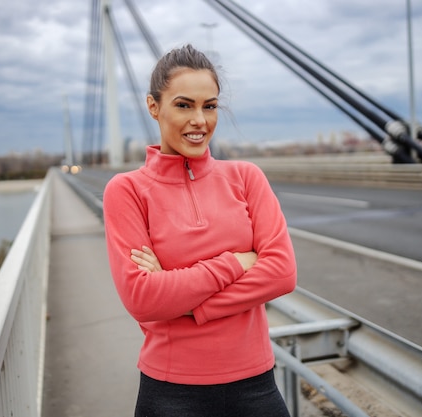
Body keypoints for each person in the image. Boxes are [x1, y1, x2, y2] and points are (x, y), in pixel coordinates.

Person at [103, 44, 297, 417]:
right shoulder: (126, 190)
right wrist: (236, 263)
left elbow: (282, 273)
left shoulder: (245, 177)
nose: (200, 120)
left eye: (209, 106)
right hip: (171, 394)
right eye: (184, 105)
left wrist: (187, 304)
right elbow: (142, 299)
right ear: (153, 106)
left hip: (257, 387)